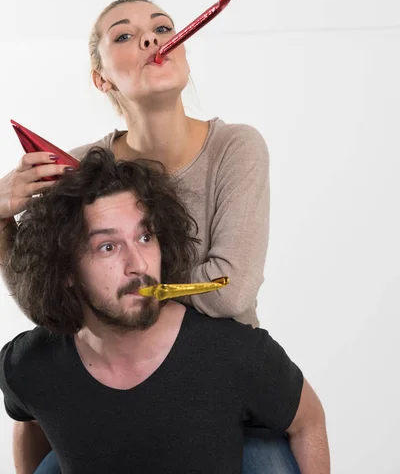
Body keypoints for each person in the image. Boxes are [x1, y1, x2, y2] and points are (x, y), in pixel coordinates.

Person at [0, 0, 287, 472]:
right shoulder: (82, 170)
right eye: (125, 36)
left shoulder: (237, 147)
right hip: (110, 390)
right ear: (101, 77)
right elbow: (46, 295)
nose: (152, 38)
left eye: (162, 27)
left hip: (219, 391)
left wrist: (112, 287)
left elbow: (231, 290)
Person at [0, 148, 329, 474]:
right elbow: (28, 419)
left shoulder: (236, 354)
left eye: (145, 237)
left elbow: (307, 420)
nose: (138, 264)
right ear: (65, 269)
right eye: (108, 247)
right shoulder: (26, 363)